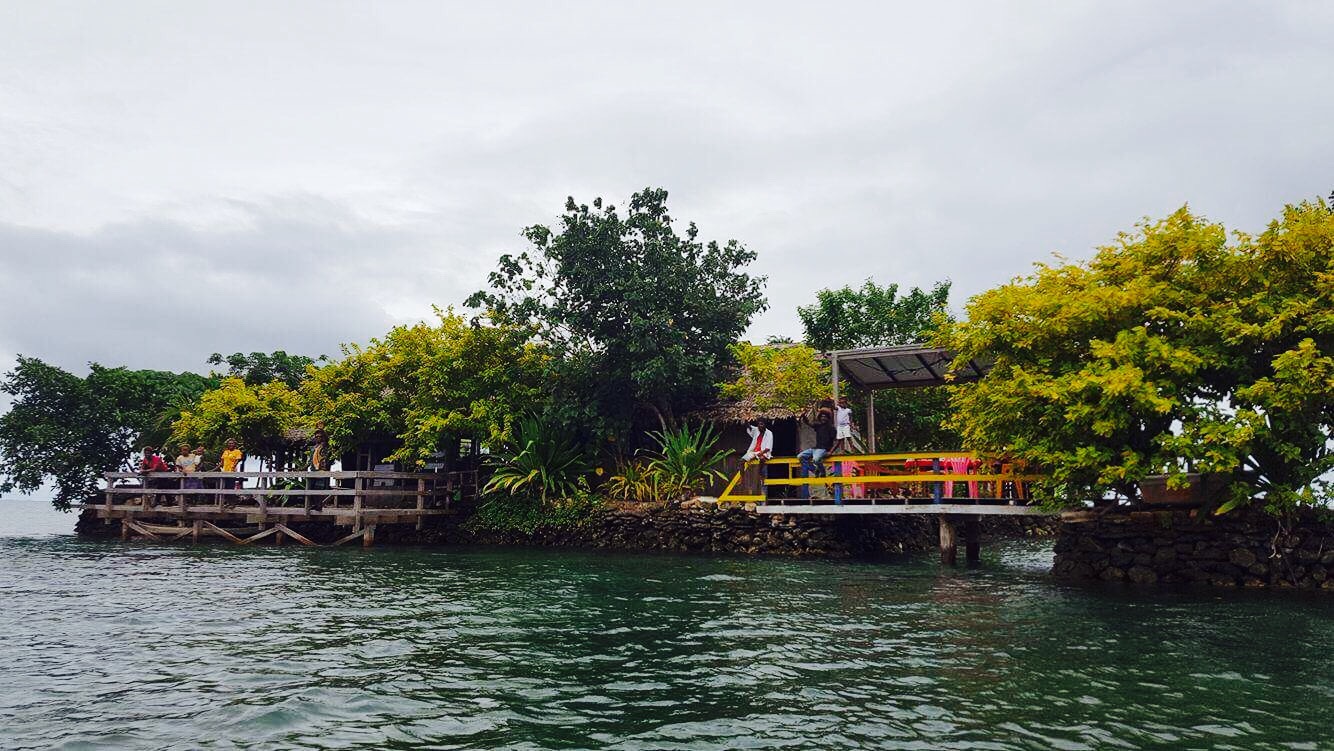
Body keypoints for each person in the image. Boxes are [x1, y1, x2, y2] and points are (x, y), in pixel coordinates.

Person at [798, 411, 836, 498]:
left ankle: (822, 472)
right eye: (822, 416)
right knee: (800, 456)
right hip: (816, 448)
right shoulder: (818, 426)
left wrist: (831, 451)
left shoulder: (831, 428)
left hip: (824, 449)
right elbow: (809, 423)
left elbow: (836, 441)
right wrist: (803, 416)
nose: (823, 418)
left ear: (828, 418)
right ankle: (815, 470)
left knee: (815, 459)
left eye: (825, 417)